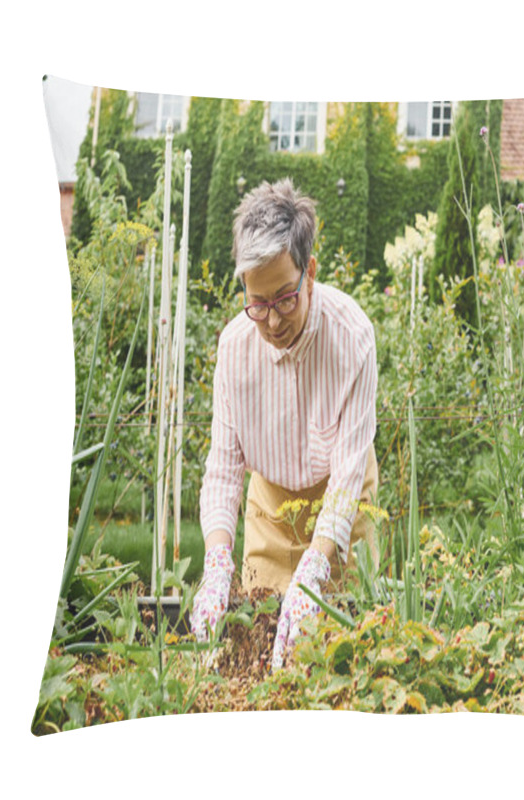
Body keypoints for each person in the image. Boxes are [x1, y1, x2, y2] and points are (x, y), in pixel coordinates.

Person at [190, 178, 380, 672]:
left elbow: (349, 471)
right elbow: (225, 470)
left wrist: (318, 563)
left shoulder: (353, 337)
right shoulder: (234, 349)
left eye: (284, 300)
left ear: (309, 272)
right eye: (257, 303)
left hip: (343, 498)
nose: (271, 321)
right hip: (272, 506)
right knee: (260, 644)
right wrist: (215, 566)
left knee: (344, 650)